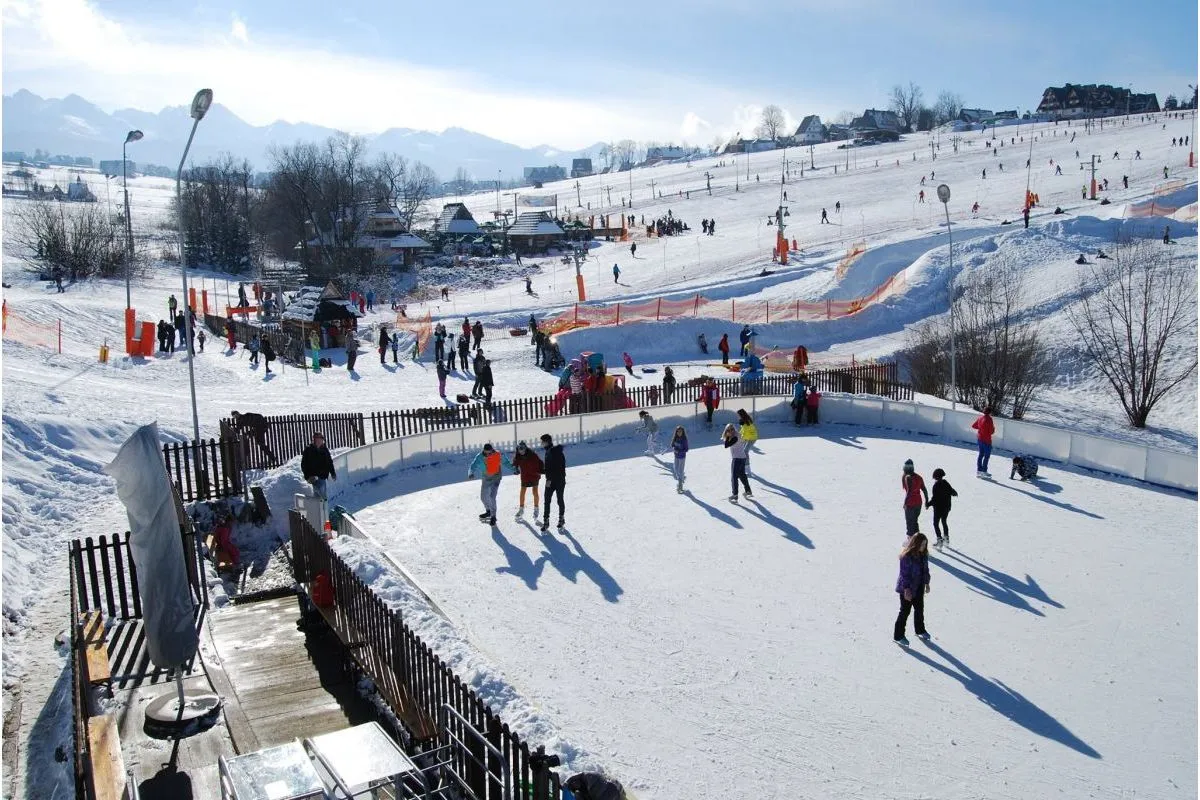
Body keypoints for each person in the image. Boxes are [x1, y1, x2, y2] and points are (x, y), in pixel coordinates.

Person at [893, 533, 931, 645]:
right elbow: (904, 574)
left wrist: (927, 583)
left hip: (919, 586)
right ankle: (898, 636)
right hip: (907, 588)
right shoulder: (906, 556)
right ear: (916, 543)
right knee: (905, 611)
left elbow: (926, 570)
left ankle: (920, 630)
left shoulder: (923, 555)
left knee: (919, 609)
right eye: (922, 544)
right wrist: (906, 589)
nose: (924, 547)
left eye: (925, 544)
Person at [467, 443, 513, 526]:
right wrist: (471, 473)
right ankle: (488, 511)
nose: (488, 454)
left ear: (492, 450)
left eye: (490, 452)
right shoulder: (480, 456)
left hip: (496, 478)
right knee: (483, 497)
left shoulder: (498, 454)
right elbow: (473, 465)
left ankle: (493, 516)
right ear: (484, 450)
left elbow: (506, 462)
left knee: (492, 497)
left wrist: (514, 469)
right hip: (486, 479)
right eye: (486, 452)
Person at [539, 434, 566, 530]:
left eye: (542, 441)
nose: (541, 443)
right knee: (547, 500)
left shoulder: (554, 451)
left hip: (559, 480)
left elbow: (558, 467)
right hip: (550, 480)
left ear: (547, 442)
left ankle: (561, 519)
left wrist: (546, 473)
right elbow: (549, 467)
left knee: (559, 499)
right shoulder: (548, 451)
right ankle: (546, 521)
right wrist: (542, 471)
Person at [512, 441, 543, 519]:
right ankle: (521, 509)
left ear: (525, 448)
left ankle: (536, 509)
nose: (521, 451)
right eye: (519, 449)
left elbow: (540, 462)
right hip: (525, 476)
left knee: (535, 492)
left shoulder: (532, 454)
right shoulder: (518, 456)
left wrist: (542, 470)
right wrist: (515, 469)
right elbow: (515, 463)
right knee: (522, 491)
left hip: (534, 475)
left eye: (522, 449)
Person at [927, 468, 957, 548]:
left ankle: (939, 540)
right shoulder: (946, 483)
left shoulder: (936, 486)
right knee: (944, 521)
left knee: (936, 523)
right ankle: (946, 538)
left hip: (938, 508)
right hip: (946, 507)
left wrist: (928, 504)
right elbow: (952, 491)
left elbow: (935, 499)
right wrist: (954, 493)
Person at [301, 432, 336, 500]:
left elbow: (329, 462)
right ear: (315, 439)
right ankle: (321, 509)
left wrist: (333, 473)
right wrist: (307, 476)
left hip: (322, 476)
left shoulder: (324, 449)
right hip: (313, 477)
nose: (321, 440)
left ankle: (322, 509)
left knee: (321, 497)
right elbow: (304, 464)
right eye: (320, 438)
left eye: (322, 438)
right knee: (320, 497)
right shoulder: (309, 449)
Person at [723, 423, 752, 503]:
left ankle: (735, 495)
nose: (731, 431)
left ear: (734, 429)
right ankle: (748, 491)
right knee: (742, 475)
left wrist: (728, 436)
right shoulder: (737, 435)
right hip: (742, 458)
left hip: (737, 459)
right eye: (728, 430)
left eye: (732, 429)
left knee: (734, 477)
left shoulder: (735, 437)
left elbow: (726, 445)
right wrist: (728, 436)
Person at [901, 459, 929, 536]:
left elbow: (909, 491)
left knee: (910, 522)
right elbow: (924, 490)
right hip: (918, 503)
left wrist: (905, 503)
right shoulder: (919, 477)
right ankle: (917, 539)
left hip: (910, 503)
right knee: (914, 521)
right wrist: (927, 500)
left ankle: (910, 540)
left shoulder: (907, 477)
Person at [971, 406, 995, 475]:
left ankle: (979, 470)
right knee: (986, 456)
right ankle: (984, 471)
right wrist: (993, 428)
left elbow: (974, 426)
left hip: (980, 439)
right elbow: (991, 431)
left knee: (981, 455)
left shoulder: (980, 418)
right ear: (990, 412)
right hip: (987, 441)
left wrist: (981, 428)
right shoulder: (989, 419)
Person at [736, 409, 758, 477]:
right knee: (741, 451)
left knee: (745, 451)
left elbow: (745, 433)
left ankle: (748, 469)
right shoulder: (743, 421)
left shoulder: (747, 422)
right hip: (747, 437)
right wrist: (738, 435)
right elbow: (743, 430)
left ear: (741, 415)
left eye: (738, 415)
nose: (738, 416)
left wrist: (740, 438)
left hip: (752, 438)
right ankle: (742, 466)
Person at [670, 426, 689, 493]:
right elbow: (672, 445)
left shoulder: (684, 440)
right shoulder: (675, 438)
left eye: (680, 431)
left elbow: (686, 449)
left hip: (682, 457)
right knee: (675, 468)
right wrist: (673, 447)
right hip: (676, 456)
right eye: (678, 431)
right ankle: (682, 478)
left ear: (683, 432)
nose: (679, 433)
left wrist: (679, 451)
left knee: (680, 471)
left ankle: (680, 485)